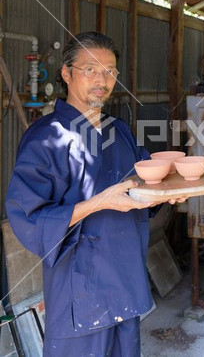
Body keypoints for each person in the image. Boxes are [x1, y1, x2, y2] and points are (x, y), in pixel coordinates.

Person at [6, 31, 184, 356]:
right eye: (90, 69)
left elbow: (145, 184)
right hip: (80, 297)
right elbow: (28, 218)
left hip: (126, 285)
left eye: (110, 71)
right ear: (66, 72)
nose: (102, 79)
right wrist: (99, 202)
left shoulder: (119, 132)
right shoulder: (46, 138)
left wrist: (170, 189)